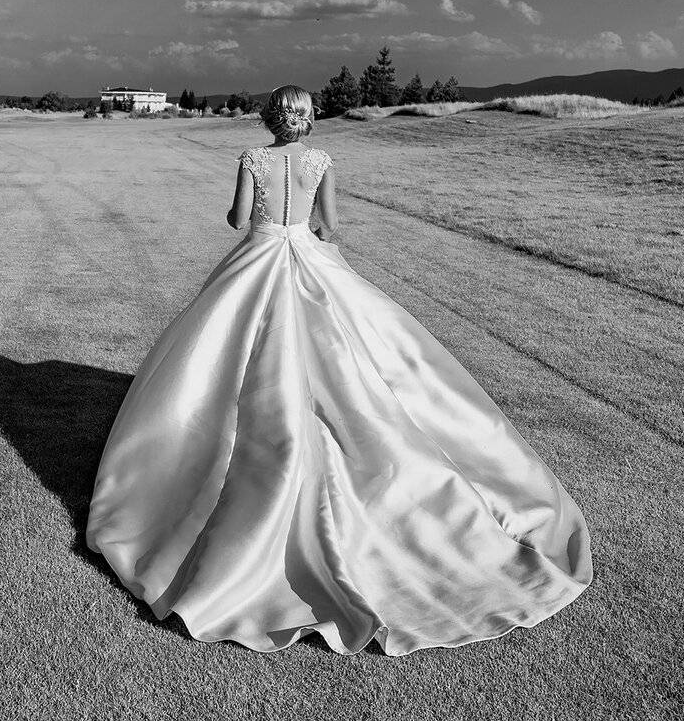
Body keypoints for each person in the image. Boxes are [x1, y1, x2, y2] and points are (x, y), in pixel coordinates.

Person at [86, 84, 592, 655]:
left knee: (233, 350)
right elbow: (330, 224)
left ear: (271, 117)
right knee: (351, 353)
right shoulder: (321, 161)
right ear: (308, 119)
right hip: (307, 253)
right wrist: (304, 229)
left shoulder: (254, 158)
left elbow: (236, 220)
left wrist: (266, 218)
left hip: (258, 256)